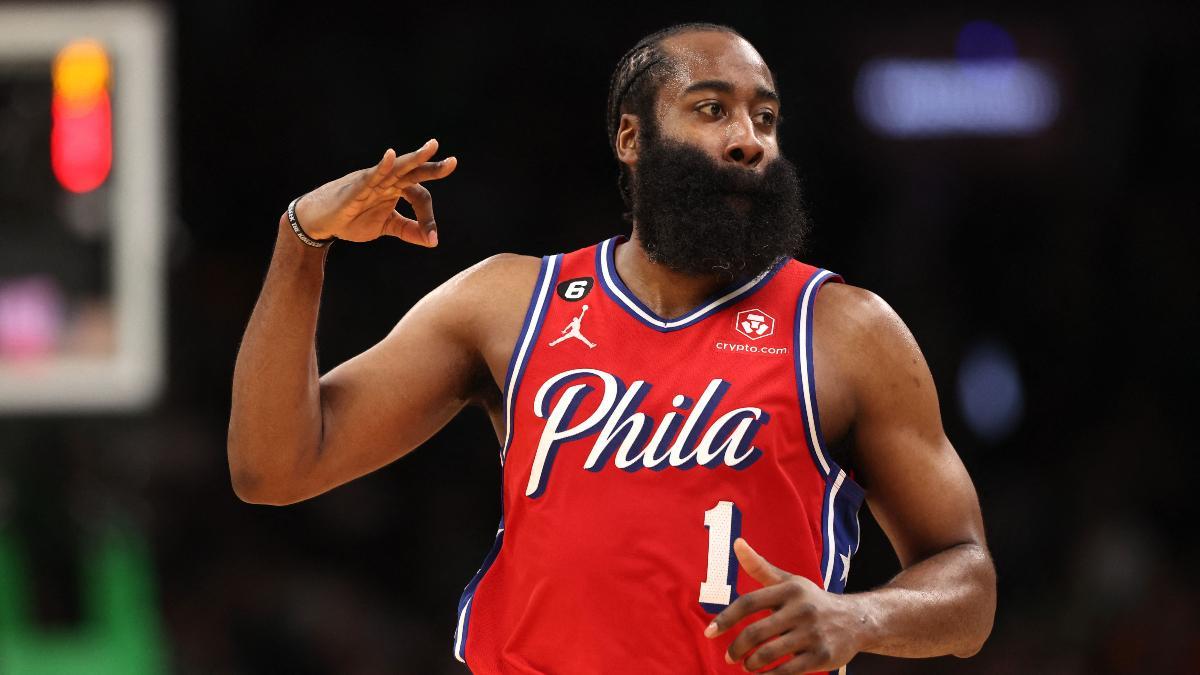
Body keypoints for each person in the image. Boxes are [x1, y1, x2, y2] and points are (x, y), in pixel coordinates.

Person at [227, 22, 996, 674]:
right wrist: (303, 240)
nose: (747, 140)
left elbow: (969, 581)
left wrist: (856, 617)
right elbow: (274, 465)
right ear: (632, 137)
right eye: (712, 109)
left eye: (765, 118)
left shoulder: (844, 330)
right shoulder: (509, 303)